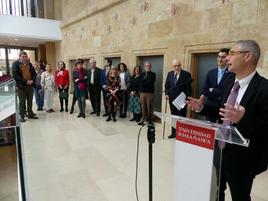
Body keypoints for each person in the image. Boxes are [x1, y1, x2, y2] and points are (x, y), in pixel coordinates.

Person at [187, 40, 268, 201]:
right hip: (220, 147)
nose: (226, 58)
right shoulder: (229, 82)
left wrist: (244, 118)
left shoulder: (264, 88)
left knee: (240, 196)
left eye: (231, 54)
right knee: (216, 191)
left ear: (248, 56)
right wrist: (201, 108)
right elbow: (221, 111)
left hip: (244, 157)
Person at [202, 48, 231, 122]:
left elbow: (229, 92)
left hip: (224, 108)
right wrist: (220, 92)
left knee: (221, 131)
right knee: (209, 130)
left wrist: (213, 90)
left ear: (228, 58)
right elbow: (204, 90)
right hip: (210, 106)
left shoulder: (232, 74)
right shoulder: (210, 73)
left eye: (223, 57)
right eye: (219, 56)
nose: (220, 59)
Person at [164, 59, 192, 138]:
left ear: (181, 65)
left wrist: (187, 99)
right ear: (173, 66)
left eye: (178, 65)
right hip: (172, 99)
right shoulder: (170, 74)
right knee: (173, 116)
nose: (177, 67)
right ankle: (173, 133)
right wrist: (166, 94)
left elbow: (188, 88)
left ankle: (181, 134)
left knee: (181, 117)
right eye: (175, 66)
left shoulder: (186, 74)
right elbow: (166, 86)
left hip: (181, 100)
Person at [12, 51, 38, 122]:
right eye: (23, 56)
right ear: (19, 57)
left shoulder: (29, 64)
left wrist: (32, 80)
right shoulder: (15, 64)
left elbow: (34, 74)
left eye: (25, 56)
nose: (24, 58)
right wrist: (26, 81)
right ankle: (22, 116)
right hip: (21, 87)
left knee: (30, 101)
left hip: (30, 86)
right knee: (22, 102)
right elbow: (16, 76)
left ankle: (30, 114)